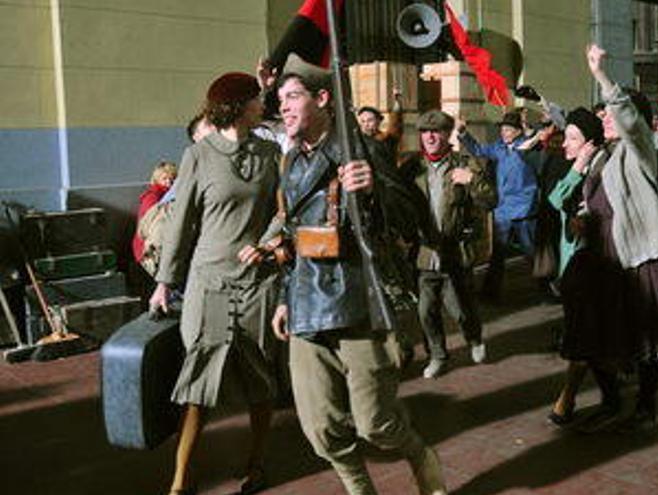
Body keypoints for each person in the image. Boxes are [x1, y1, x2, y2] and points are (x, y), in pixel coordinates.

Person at [269, 60, 447, 495]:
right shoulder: (291, 161)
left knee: (377, 424)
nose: (284, 108)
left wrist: (374, 191)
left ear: (323, 99)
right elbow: (293, 236)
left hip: (360, 302)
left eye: (292, 97)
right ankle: (358, 487)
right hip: (308, 302)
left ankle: (421, 456)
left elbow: (413, 218)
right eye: (280, 101)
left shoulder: (362, 151)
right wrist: (284, 296)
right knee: (320, 429)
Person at [149, 72, 280, 495]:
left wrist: (265, 243)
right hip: (210, 281)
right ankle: (180, 480)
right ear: (239, 105)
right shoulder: (198, 155)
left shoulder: (269, 152)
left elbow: (284, 210)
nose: (264, 103)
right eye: (257, 98)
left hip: (258, 281)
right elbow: (180, 224)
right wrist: (164, 282)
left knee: (260, 379)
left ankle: (257, 465)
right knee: (200, 382)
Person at [551, 45, 658, 433]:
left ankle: (646, 407)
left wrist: (601, 75)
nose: (605, 117)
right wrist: (583, 219)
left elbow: (627, 118)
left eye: (610, 114)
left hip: (638, 255)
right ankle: (611, 401)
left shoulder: (639, 150)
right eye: (602, 114)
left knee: (644, 333)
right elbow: (597, 200)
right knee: (596, 333)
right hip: (603, 255)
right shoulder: (603, 156)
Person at [399, 110, 496, 379]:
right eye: (425, 132)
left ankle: (474, 337)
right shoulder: (411, 167)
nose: (430, 137)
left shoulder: (465, 163)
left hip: (455, 251)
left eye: (436, 131)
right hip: (425, 253)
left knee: (460, 309)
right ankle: (438, 355)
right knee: (426, 311)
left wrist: (472, 181)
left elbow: (490, 200)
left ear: (447, 134)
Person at [545, 107, 609, 425]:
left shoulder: (602, 170)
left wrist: (583, 165)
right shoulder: (574, 169)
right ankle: (610, 393)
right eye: (566, 137)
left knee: (582, 337)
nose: (565, 144)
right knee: (587, 337)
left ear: (590, 143)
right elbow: (555, 200)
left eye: (573, 138)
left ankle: (567, 400)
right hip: (572, 267)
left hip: (593, 267)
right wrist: (577, 166)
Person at [458, 111, 539, 299]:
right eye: (502, 129)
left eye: (508, 129)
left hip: (524, 207)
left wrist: (529, 129)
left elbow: (534, 139)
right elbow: (477, 150)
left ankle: (548, 285)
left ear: (518, 131)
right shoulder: (498, 148)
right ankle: (490, 291)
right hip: (503, 208)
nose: (504, 132)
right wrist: (463, 133)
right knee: (498, 254)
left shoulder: (527, 146)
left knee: (530, 250)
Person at [132, 160, 177, 280]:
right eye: (165, 179)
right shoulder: (152, 197)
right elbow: (151, 227)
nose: (169, 182)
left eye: (172, 179)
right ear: (157, 180)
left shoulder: (162, 196)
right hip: (148, 251)